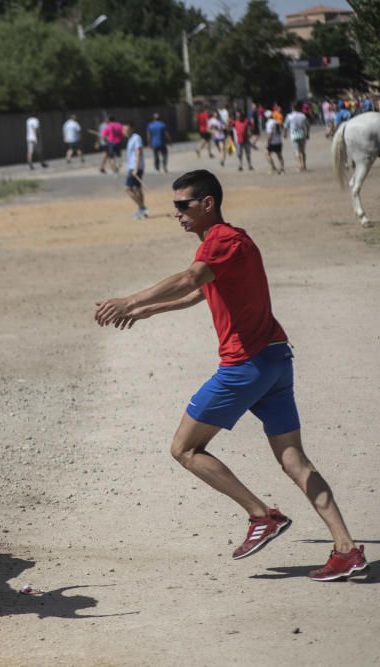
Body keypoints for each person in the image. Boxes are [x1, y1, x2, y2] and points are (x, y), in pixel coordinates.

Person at [94, 169, 367, 582]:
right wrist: (146, 311)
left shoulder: (221, 240)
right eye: (173, 207)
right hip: (275, 360)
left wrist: (128, 298)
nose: (177, 214)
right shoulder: (232, 243)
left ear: (207, 204)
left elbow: (189, 278)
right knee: (294, 460)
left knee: (184, 449)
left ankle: (262, 515)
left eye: (183, 206)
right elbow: (200, 291)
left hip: (245, 367)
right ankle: (346, 549)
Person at [124, 121, 146, 220]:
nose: (125, 131)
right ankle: (141, 210)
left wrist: (136, 168)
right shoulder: (130, 139)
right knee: (137, 189)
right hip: (133, 167)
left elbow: (138, 152)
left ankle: (142, 208)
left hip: (135, 167)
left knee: (128, 189)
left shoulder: (136, 138)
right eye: (124, 129)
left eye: (127, 129)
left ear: (132, 128)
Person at [284, 105, 310, 172]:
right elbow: (307, 125)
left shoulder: (289, 116)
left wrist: (285, 134)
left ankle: (299, 165)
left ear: (292, 108)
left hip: (293, 135)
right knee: (303, 151)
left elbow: (285, 126)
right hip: (302, 134)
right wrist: (307, 134)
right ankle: (304, 165)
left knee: (297, 151)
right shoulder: (303, 116)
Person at [263, 110, 285, 175]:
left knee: (267, 154)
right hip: (279, 141)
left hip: (272, 142)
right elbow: (282, 129)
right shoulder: (277, 122)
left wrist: (267, 142)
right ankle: (282, 169)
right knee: (279, 155)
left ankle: (273, 167)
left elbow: (269, 134)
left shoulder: (269, 123)